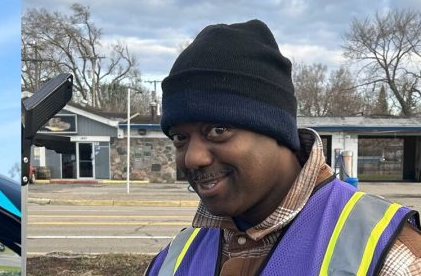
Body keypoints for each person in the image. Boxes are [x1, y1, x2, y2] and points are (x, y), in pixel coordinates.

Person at [146, 20, 421, 275]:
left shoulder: (388, 253)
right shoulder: (174, 258)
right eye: (180, 138)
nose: (193, 158)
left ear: (277, 130)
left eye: (218, 130)